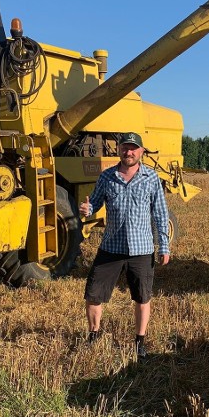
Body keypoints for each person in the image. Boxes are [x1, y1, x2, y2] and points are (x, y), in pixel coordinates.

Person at [79, 132, 171, 358]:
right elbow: (95, 202)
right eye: (125, 147)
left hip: (142, 249)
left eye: (133, 148)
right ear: (119, 150)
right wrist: (87, 210)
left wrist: (164, 246)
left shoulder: (151, 178)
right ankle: (94, 335)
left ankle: (139, 342)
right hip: (111, 247)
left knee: (142, 297)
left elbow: (160, 214)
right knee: (93, 294)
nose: (128, 152)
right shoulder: (107, 177)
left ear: (141, 152)